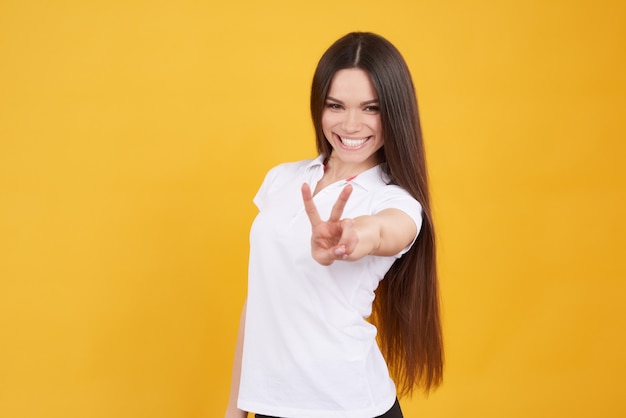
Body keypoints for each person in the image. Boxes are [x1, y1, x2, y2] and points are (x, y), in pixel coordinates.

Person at [225, 32, 443, 418]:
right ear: (319, 107)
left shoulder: (395, 202)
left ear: (394, 111)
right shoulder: (283, 179)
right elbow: (260, 302)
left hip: (349, 407)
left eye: (371, 108)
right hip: (273, 406)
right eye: (336, 105)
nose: (351, 124)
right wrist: (234, 411)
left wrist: (353, 235)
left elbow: (383, 230)